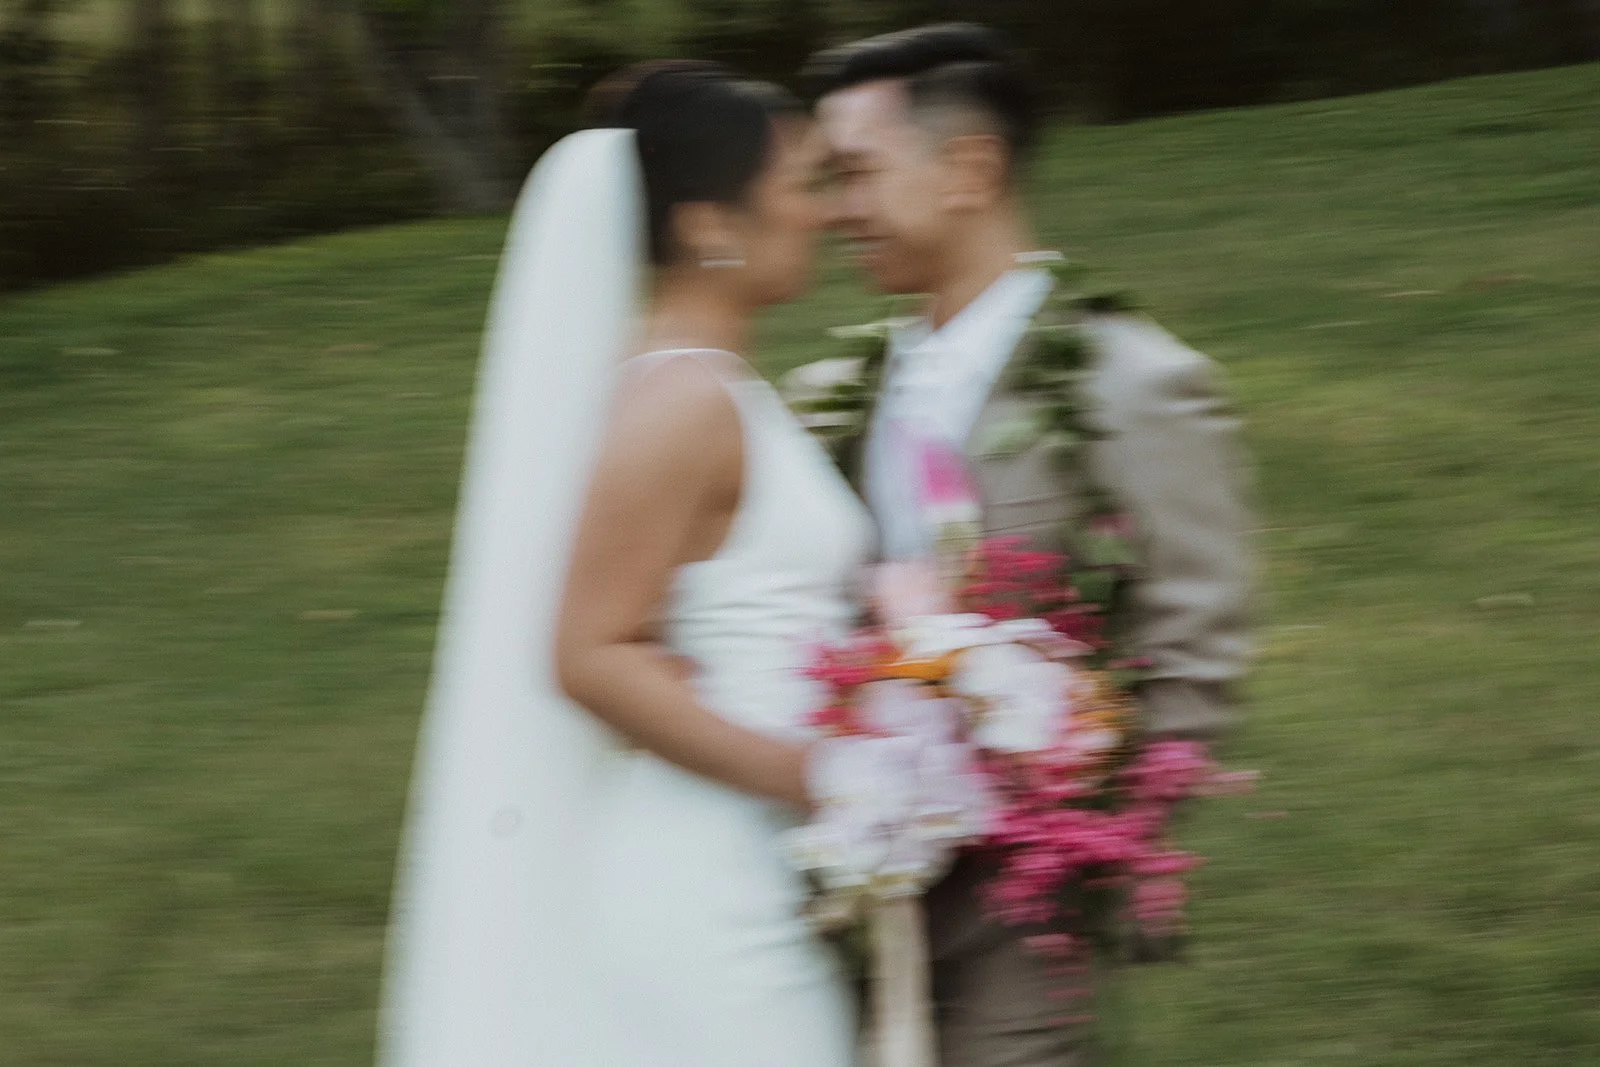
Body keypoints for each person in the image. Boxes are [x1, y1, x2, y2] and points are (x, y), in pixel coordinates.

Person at [379, 62, 866, 1066]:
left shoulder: (715, 388)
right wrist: (816, 775)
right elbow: (589, 652)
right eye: (802, 184)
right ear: (708, 224)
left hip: (762, 865)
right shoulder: (681, 404)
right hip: (714, 891)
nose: (824, 211)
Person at [789, 23, 1256, 1066]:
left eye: (855, 173)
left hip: (1023, 915)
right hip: (841, 882)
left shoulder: (1135, 385)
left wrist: (1080, 844)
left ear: (969, 169)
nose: (832, 211)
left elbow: (1196, 650)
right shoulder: (831, 398)